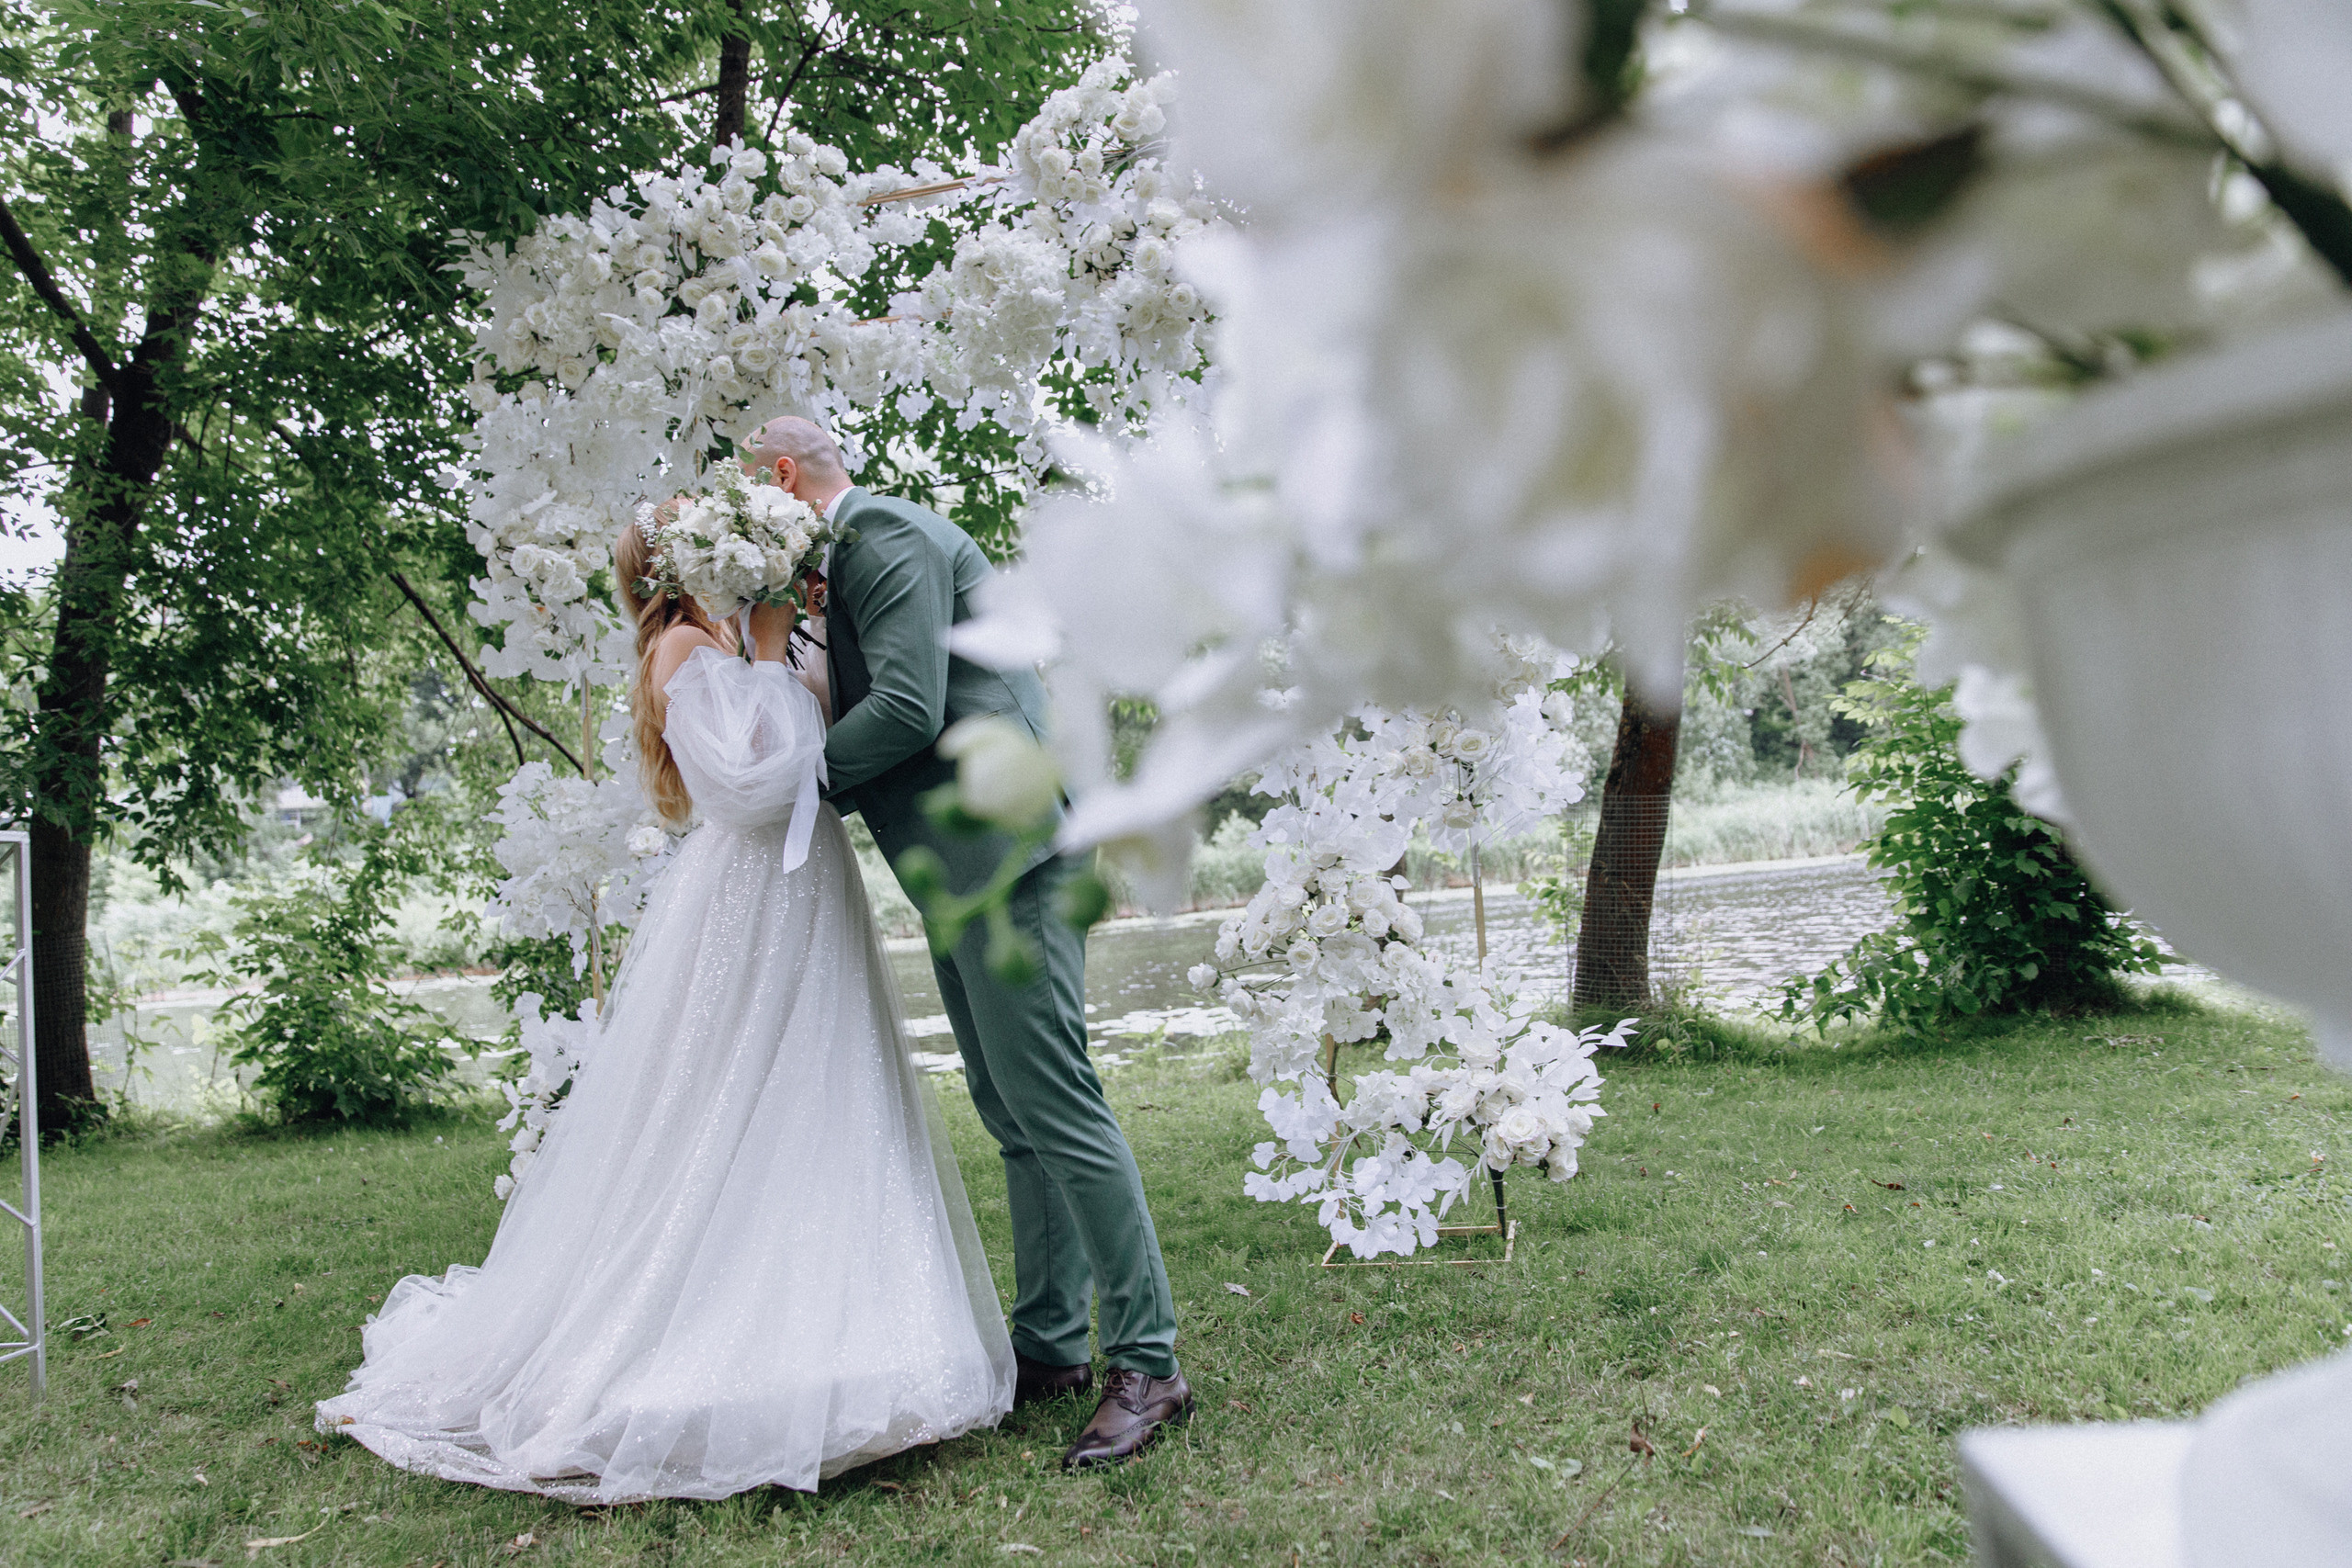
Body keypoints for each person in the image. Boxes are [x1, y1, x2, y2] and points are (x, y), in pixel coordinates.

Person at [313, 519, 1013, 1500]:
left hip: (805, 885)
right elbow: (741, 788)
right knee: (731, 1096)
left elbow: (805, 740)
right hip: (751, 894)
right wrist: (771, 652)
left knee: (815, 1090)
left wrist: (793, 646)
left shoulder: (726, 642)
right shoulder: (679, 647)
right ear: (680, 570)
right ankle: (701, 1336)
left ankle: (848, 1324)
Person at [740, 415, 1191, 1468]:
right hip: (964, 864)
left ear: (781, 476)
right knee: (1013, 1114)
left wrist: (783, 783)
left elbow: (903, 706)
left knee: (1058, 1107)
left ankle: (1148, 1363)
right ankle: (1048, 1347)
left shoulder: (881, 535)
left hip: (1014, 853)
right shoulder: (839, 565)